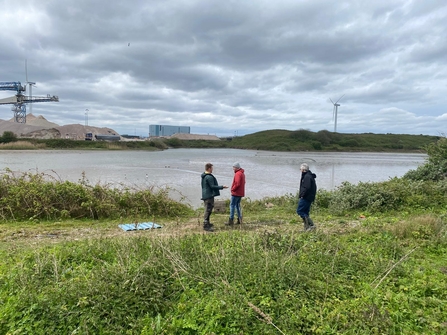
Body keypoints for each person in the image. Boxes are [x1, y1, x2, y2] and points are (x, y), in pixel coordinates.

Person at [201, 163, 228, 231]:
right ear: (209, 168)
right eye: (212, 168)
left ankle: (208, 223)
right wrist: (222, 187)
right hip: (208, 195)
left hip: (206, 194)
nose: (212, 169)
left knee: (209, 209)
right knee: (208, 210)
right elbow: (212, 186)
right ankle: (206, 225)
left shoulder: (204, 176)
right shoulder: (209, 177)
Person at [296, 163, 317, 231]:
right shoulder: (309, 176)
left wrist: (302, 195)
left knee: (300, 211)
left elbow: (307, 188)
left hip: (306, 197)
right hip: (309, 197)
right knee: (305, 212)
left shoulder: (307, 177)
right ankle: (306, 228)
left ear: (303, 170)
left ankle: (311, 225)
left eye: (301, 169)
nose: (300, 170)